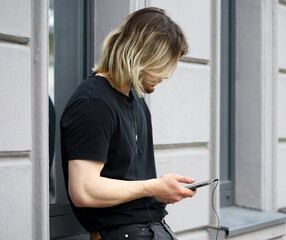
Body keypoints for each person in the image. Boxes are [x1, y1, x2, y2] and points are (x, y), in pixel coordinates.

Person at [60, 7, 196, 240]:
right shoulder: (93, 102)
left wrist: (160, 190)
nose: (166, 75)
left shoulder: (136, 101)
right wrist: (153, 187)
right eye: (164, 64)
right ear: (142, 55)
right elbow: (84, 190)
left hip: (151, 229)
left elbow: (127, 182)